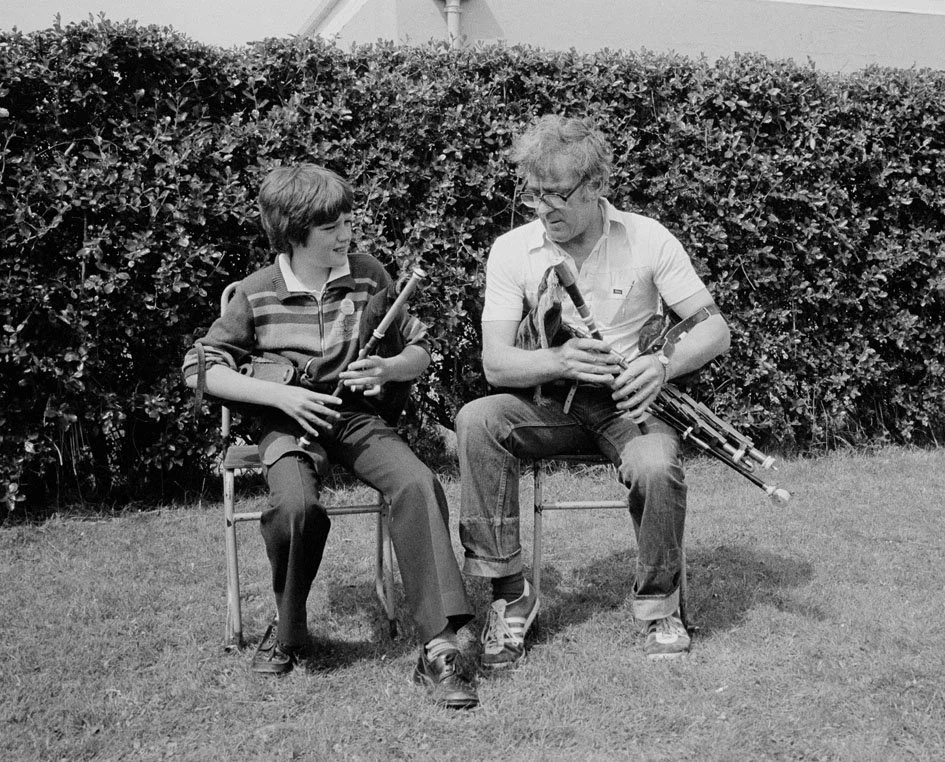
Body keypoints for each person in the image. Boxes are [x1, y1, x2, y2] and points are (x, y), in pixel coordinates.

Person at [183, 164, 478, 709]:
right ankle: (290, 629)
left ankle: (439, 646)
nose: (347, 235)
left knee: (417, 483)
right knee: (296, 507)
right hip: (287, 423)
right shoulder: (255, 293)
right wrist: (281, 396)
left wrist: (390, 370)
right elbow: (200, 367)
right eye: (332, 228)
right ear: (295, 234)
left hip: (356, 417)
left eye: (349, 222)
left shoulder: (367, 274)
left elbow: (420, 350)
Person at [455, 115, 731, 667]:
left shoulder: (647, 238)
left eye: (556, 195)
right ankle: (511, 597)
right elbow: (495, 363)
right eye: (533, 195)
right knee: (477, 420)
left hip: (627, 403)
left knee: (655, 465)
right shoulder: (511, 250)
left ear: (596, 185)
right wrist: (555, 358)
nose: (543, 209)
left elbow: (714, 329)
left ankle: (659, 607)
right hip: (548, 404)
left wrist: (661, 365)